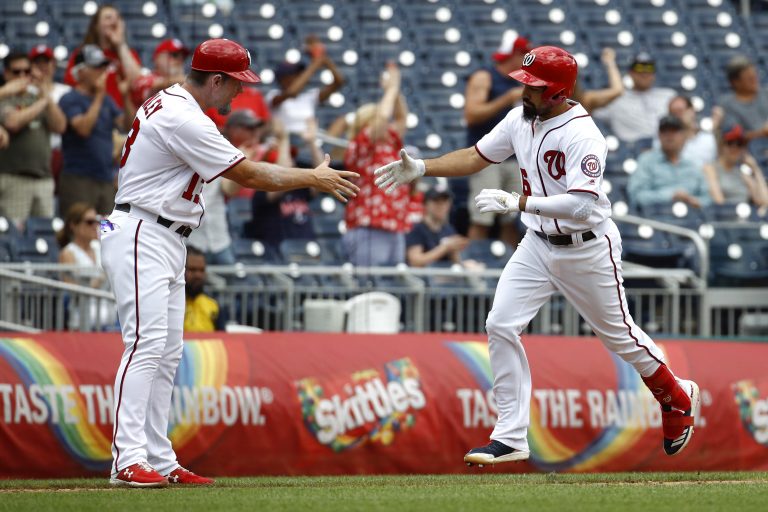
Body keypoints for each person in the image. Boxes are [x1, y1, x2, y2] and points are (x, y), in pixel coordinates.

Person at [374, 46, 700, 465]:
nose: (525, 92)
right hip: (538, 243)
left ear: (559, 91)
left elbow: (582, 203)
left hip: (586, 246)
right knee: (500, 324)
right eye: (525, 83)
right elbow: (477, 156)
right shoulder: (519, 118)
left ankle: (674, 395)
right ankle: (510, 436)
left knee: (618, 336)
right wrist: (423, 167)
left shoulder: (583, 134)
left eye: (535, 86)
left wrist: (520, 202)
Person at [100, 38, 358, 488]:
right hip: (143, 230)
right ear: (215, 80)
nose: (240, 93)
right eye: (235, 84)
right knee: (145, 345)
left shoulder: (176, 104)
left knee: (166, 353)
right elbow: (250, 174)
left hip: (165, 234)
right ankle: (127, 456)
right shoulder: (184, 117)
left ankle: (159, 459)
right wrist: (312, 177)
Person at [342, 62, 413, 266]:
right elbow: (383, 117)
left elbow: (400, 118)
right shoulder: (360, 145)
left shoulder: (389, 140)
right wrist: (391, 89)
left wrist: (395, 91)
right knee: (369, 288)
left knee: (390, 288)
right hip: (368, 226)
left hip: (394, 224)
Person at [463, 32, 530, 244]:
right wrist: (506, 99)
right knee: (482, 217)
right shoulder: (485, 77)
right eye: (522, 54)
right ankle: (473, 264)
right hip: (486, 156)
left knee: (511, 219)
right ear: (512, 55)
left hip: (514, 157)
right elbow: (471, 115)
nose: (524, 59)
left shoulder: (522, 81)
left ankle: (509, 267)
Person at [59, 45, 133, 216]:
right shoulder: (70, 98)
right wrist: (100, 95)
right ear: (81, 71)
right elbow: (83, 129)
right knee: (79, 228)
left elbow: (128, 126)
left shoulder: (106, 100)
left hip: (105, 179)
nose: (102, 71)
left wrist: (125, 95)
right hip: (78, 179)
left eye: (103, 66)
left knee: (107, 233)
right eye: (96, 67)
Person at [0, 51, 66, 224]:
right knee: (14, 234)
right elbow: (12, 122)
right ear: (6, 73)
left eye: (27, 71)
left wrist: (45, 96)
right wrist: (43, 102)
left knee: (45, 233)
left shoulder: (37, 96)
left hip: (43, 178)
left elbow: (60, 126)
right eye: (16, 72)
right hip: (14, 178)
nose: (22, 76)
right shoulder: (4, 97)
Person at [627, 115, 711, 211]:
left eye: (674, 131)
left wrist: (693, 200)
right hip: (656, 217)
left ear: (683, 135)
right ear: (659, 135)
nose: (669, 135)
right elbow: (636, 196)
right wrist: (670, 196)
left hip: (692, 218)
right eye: (664, 131)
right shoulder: (646, 160)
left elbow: (707, 199)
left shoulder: (693, 164)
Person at [64, 4, 142, 108]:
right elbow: (73, 87)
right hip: (92, 114)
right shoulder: (81, 54)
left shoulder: (128, 53)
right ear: (96, 26)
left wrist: (120, 44)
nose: (114, 22)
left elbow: (137, 82)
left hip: (123, 116)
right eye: (108, 18)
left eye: (117, 18)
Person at [592, 52, 676, 143]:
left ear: (654, 74)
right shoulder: (617, 98)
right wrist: (610, 63)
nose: (644, 73)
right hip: (630, 148)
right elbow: (588, 107)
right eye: (639, 68)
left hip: (664, 147)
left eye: (649, 68)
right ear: (631, 73)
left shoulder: (668, 96)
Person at [56, 202, 115, 330]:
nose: (95, 226)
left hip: (110, 311)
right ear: (74, 226)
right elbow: (74, 289)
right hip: (84, 315)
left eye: (97, 221)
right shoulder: (68, 253)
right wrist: (102, 277)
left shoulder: (99, 246)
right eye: (89, 222)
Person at [703, 123, 768, 208]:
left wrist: (756, 170)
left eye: (739, 144)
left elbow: (764, 202)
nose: (734, 148)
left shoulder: (742, 174)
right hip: (721, 218)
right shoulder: (711, 169)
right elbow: (719, 202)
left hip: (744, 218)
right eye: (730, 143)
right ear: (721, 145)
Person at [406, 185, 468, 267]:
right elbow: (415, 261)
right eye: (436, 201)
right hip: (423, 277)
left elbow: (456, 262)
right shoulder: (416, 229)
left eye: (445, 201)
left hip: (445, 276)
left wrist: (464, 264)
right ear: (425, 204)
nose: (441, 206)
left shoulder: (448, 229)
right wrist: (444, 248)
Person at [718, 56, 768, 145]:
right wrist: (761, 132)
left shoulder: (765, 93)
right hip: (748, 152)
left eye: (755, 76)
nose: (755, 81)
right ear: (735, 82)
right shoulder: (727, 104)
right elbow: (732, 136)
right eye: (750, 79)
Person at [130, 38, 189, 107]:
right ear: (157, 58)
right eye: (174, 55)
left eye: (183, 57)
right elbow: (157, 85)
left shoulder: (183, 81)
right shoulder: (146, 77)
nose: (179, 60)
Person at [664, 95, 717, 169]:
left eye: (680, 111)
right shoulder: (665, 140)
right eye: (673, 113)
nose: (677, 117)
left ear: (692, 111)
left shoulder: (709, 138)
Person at [183, 246, 224, 332]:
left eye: (201, 270)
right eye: (192, 269)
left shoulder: (214, 305)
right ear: (181, 270)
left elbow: (222, 339)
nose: (198, 275)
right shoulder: (170, 305)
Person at [571, 47, 623, 113]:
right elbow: (617, 90)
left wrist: (610, 62)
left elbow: (617, 91)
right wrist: (610, 61)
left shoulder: (585, 100)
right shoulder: (585, 100)